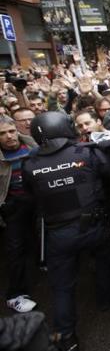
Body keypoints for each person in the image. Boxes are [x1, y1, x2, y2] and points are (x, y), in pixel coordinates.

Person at [22, 111, 110, 351]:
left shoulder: (30, 164)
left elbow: (32, 194)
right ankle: (105, 300)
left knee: (62, 287)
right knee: (104, 261)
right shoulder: (87, 153)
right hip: (94, 226)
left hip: (58, 233)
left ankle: (66, 336)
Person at [0, 115, 38, 313]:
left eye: (11, 131)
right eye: (2, 134)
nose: (8, 136)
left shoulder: (33, 148)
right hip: (13, 208)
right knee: (15, 249)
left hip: (37, 202)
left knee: (35, 240)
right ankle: (15, 295)